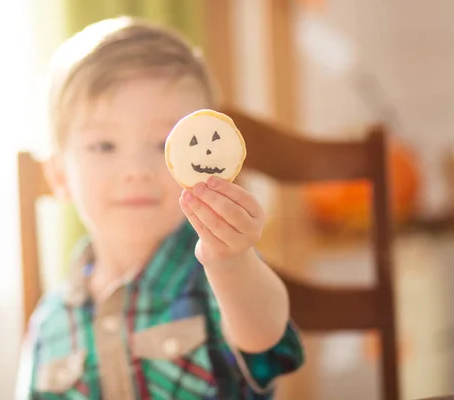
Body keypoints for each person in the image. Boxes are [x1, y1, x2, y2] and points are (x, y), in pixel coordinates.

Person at [16, 16, 304, 400]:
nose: (137, 171)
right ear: (59, 176)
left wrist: (232, 263)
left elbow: (268, 343)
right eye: (104, 146)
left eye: (164, 144)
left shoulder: (217, 275)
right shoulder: (50, 323)